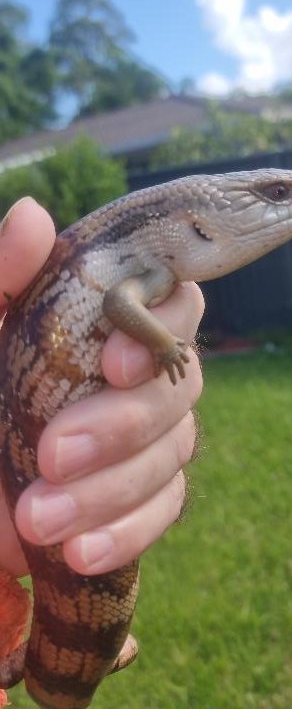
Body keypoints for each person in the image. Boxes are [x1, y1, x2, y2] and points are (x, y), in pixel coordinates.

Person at [0, 197, 204, 577]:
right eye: (276, 194)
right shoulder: (155, 265)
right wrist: (164, 346)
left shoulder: (159, 266)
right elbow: (119, 302)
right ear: (197, 221)